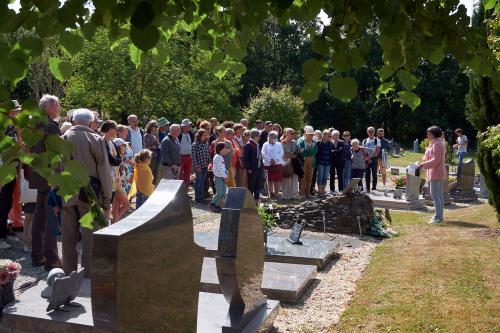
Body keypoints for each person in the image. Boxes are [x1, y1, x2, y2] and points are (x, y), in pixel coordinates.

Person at [61, 108, 112, 277]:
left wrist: (55, 196)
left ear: (74, 121)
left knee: (68, 238)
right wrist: (106, 200)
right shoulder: (96, 139)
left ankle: (69, 273)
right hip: (89, 194)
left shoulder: (63, 139)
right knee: (90, 237)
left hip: (67, 192)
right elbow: (104, 172)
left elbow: (55, 170)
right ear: (90, 122)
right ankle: (88, 273)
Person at [29, 94, 62, 270]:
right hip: (50, 177)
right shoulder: (51, 126)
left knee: (39, 216)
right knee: (51, 217)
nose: (59, 108)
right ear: (49, 108)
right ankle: (51, 259)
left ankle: (37, 256)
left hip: (38, 176)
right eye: (57, 105)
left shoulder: (34, 125)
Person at [0, 101, 22, 249]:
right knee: (2, 203)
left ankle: (4, 232)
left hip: (11, 169)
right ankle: (0, 237)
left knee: (7, 202)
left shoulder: (12, 127)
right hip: (3, 170)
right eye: (16, 111)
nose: (18, 113)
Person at [419, 126, 447, 224]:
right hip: (434, 171)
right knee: (437, 195)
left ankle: (438, 217)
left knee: (435, 195)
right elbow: (429, 156)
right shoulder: (434, 143)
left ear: (434, 134)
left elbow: (436, 160)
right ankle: (439, 216)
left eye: (429, 134)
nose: (427, 135)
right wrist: (423, 161)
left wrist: (423, 164)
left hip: (436, 171)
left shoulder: (438, 144)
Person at [262, 131, 284, 199]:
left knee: (277, 179)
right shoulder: (265, 144)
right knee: (269, 179)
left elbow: (281, 152)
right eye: (270, 137)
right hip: (268, 164)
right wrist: (270, 160)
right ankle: (271, 193)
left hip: (278, 163)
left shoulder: (279, 144)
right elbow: (263, 153)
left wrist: (276, 159)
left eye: (273, 137)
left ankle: (276, 193)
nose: (271, 139)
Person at [243, 129, 264, 202]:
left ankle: (257, 198)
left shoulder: (257, 144)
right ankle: (249, 200)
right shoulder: (248, 145)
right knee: (251, 185)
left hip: (258, 168)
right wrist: (248, 168)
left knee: (258, 183)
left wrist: (262, 166)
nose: (259, 138)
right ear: (255, 136)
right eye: (259, 136)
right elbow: (246, 158)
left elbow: (259, 156)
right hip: (252, 169)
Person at [297, 126, 317, 199]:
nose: (311, 136)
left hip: (311, 163)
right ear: (306, 134)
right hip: (303, 162)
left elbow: (315, 151)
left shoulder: (314, 142)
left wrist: (308, 152)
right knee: (303, 178)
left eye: (312, 134)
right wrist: (309, 153)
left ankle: (308, 193)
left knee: (309, 178)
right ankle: (302, 193)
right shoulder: (301, 142)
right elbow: (302, 153)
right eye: (309, 134)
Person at [192, 129, 210, 203]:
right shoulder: (195, 144)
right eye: (203, 135)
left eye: (206, 135)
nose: (205, 137)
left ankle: (201, 197)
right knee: (198, 182)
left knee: (202, 182)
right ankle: (198, 198)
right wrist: (197, 166)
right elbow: (193, 156)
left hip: (205, 165)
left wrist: (210, 163)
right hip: (199, 166)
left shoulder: (206, 143)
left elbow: (208, 154)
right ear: (199, 135)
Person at [281, 128, 299, 200]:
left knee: (294, 178)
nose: (293, 134)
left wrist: (293, 155)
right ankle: (285, 196)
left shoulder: (294, 142)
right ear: (286, 134)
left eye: (293, 133)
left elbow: (296, 152)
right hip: (285, 163)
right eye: (291, 133)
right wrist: (289, 155)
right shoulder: (282, 143)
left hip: (293, 162)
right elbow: (282, 154)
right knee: (286, 179)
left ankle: (294, 195)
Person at [362, 127, 381, 192]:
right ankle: (367, 188)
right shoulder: (364, 140)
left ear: (374, 132)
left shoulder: (377, 140)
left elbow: (377, 151)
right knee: (367, 174)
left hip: (374, 158)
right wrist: (366, 158)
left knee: (374, 173)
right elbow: (363, 150)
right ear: (367, 132)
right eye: (369, 131)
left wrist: (370, 158)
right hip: (367, 159)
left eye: (372, 131)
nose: (371, 133)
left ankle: (374, 187)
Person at [212, 142, 228, 213]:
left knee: (223, 192)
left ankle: (214, 203)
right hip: (219, 177)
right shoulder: (218, 157)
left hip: (222, 176)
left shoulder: (219, 157)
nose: (226, 150)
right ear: (220, 149)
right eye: (225, 148)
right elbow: (220, 169)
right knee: (219, 193)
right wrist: (225, 177)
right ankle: (216, 205)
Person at [144, 120, 161, 185]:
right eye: (155, 126)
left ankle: (152, 190)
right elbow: (148, 147)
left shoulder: (156, 135)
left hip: (157, 157)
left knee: (155, 175)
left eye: (157, 126)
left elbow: (158, 146)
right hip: (151, 158)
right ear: (151, 127)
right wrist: (157, 147)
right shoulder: (147, 135)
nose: (157, 128)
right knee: (150, 175)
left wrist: (156, 147)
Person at [178, 119, 194, 190]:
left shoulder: (190, 133)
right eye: (188, 125)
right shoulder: (179, 134)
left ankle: (186, 190)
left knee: (187, 174)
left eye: (190, 125)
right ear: (183, 126)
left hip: (189, 156)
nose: (190, 126)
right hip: (180, 157)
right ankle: (180, 191)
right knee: (180, 175)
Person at [316, 130, 333, 196]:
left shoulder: (330, 143)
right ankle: (320, 192)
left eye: (330, 135)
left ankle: (323, 191)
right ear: (324, 135)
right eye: (328, 135)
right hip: (320, 163)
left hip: (328, 163)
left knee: (325, 177)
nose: (330, 136)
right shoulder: (318, 143)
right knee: (320, 177)